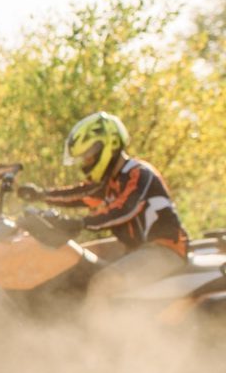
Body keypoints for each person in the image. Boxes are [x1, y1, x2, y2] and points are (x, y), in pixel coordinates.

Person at [18, 111, 188, 296]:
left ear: (108, 147)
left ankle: (98, 325)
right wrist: (41, 195)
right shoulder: (111, 180)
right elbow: (80, 194)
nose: (86, 163)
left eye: (88, 157)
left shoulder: (138, 173)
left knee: (103, 282)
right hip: (135, 248)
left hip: (164, 250)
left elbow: (124, 209)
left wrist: (80, 223)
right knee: (74, 261)